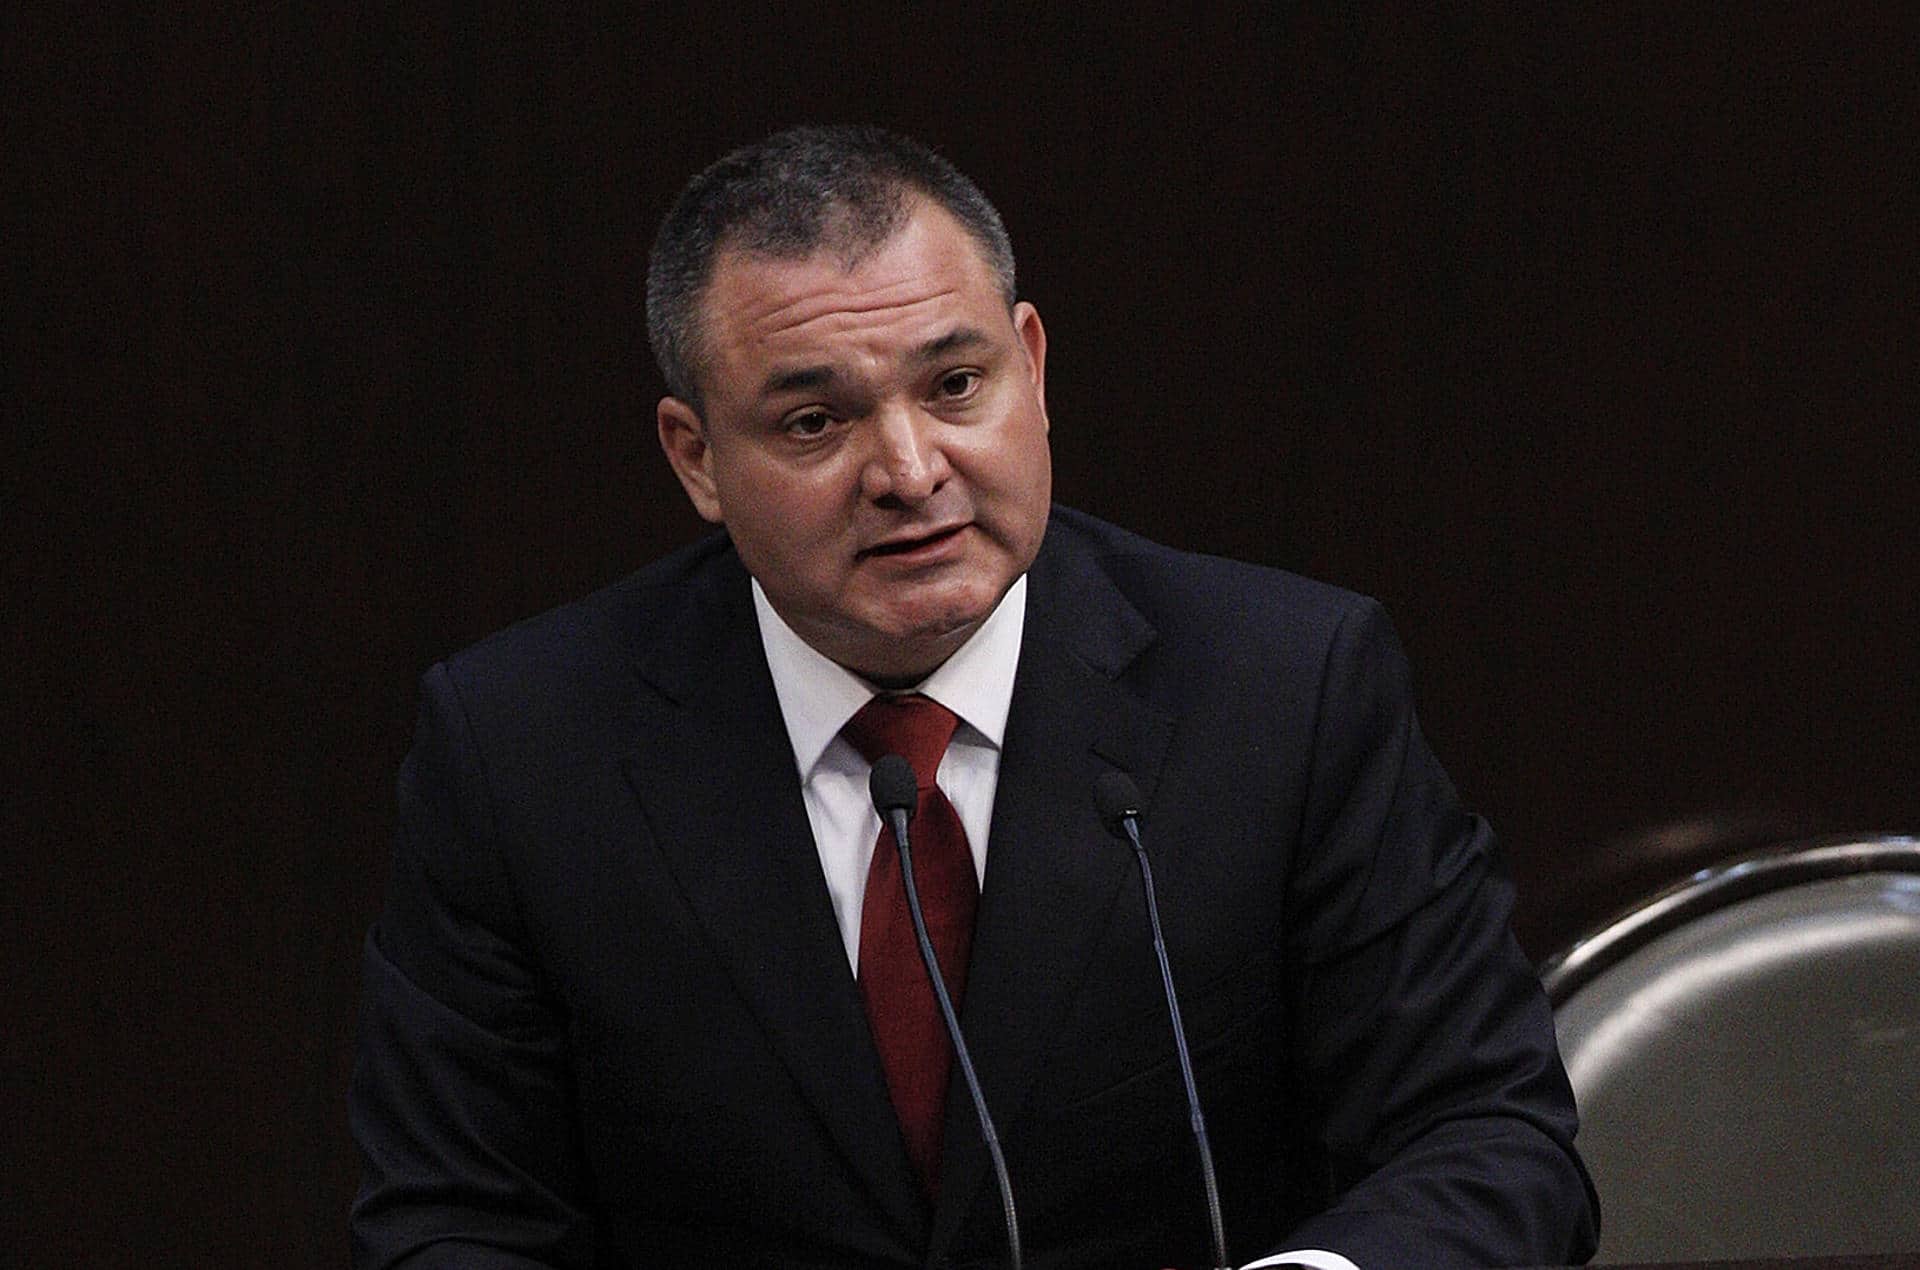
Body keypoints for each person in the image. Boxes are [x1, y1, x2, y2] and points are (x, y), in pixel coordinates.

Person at [350, 124, 1599, 1269]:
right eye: (812, 420)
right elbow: (454, 1221)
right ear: (697, 458)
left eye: (955, 387)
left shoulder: (1288, 686)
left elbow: (1489, 1136)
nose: (907, 470)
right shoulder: (524, 749)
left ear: (1033, 367)